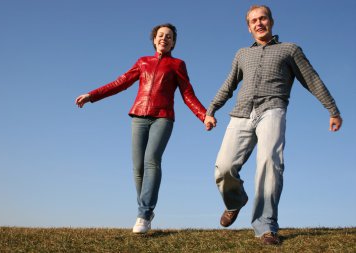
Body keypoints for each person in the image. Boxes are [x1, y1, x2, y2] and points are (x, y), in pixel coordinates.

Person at [204, 5, 342, 245]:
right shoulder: (242, 54)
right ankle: (235, 201)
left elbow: (312, 79)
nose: (259, 23)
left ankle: (266, 226)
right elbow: (229, 84)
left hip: (273, 109)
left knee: (269, 163)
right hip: (241, 113)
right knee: (223, 167)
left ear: (271, 21)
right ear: (249, 27)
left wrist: (332, 110)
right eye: (254, 21)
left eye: (263, 18)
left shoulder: (290, 50)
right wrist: (211, 109)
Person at [75, 23, 211, 234]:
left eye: (169, 36)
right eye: (160, 35)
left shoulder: (177, 65)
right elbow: (120, 82)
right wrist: (92, 96)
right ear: (154, 39)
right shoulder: (143, 62)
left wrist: (204, 116)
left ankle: (144, 214)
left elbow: (187, 94)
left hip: (163, 118)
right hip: (138, 116)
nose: (164, 38)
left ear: (173, 42)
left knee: (151, 160)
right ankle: (145, 209)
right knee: (138, 168)